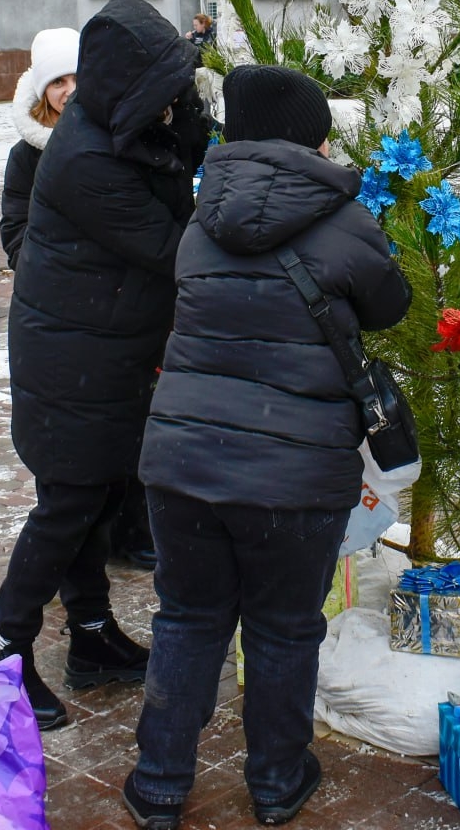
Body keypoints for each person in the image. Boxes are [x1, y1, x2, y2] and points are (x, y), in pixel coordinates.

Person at [122, 64, 412, 830]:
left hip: (181, 465)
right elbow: (391, 303)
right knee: (285, 628)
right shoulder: (344, 221)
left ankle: (157, 783)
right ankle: (279, 781)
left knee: (187, 620)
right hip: (294, 477)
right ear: (309, 136)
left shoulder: (199, 218)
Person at [0, 0, 209, 732]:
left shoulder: (115, 123)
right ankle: (5, 653)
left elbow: (174, 162)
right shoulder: (84, 159)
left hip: (103, 351)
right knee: (68, 506)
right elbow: (171, 244)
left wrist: (190, 110)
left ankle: (90, 638)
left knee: (98, 495)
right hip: (71, 360)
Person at [0, 27, 79, 270]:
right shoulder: (26, 155)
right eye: (58, 81)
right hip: (53, 286)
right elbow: (16, 227)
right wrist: (40, 271)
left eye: (78, 78)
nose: (71, 91)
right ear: (42, 90)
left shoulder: (115, 138)